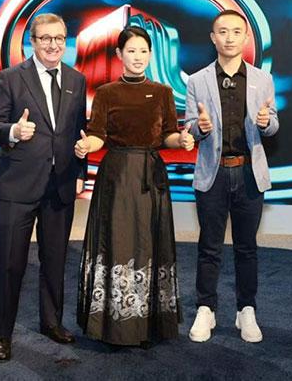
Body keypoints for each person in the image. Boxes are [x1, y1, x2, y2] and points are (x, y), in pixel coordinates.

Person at [74, 25, 194, 346]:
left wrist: (181, 141)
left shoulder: (163, 92)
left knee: (149, 243)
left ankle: (147, 325)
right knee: (117, 242)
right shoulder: (106, 93)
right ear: (119, 55)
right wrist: (86, 146)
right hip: (117, 176)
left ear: (151, 54)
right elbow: (97, 135)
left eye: (143, 51)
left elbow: (169, 135)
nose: (138, 57)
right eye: (131, 51)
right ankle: (113, 325)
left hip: (151, 176)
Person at [0, 13, 87, 362]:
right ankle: (2, 335)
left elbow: (79, 130)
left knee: (55, 261)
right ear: (33, 42)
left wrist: (80, 170)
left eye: (59, 38)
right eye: (46, 39)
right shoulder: (11, 78)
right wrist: (13, 131)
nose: (53, 45)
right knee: (10, 264)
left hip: (60, 187)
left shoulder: (77, 80)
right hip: (17, 187)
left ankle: (51, 323)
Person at [185, 9, 279, 343]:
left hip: (249, 174)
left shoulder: (262, 79)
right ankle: (205, 308)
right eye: (222, 32)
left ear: (245, 37)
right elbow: (189, 128)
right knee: (209, 246)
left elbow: (273, 125)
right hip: (213, 174)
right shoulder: (197, 81)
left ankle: (246, 310)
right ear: (213, 38)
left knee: (246, 247)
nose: (229, 37)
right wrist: (199, 127)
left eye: (236, 31)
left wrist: (267, 122)